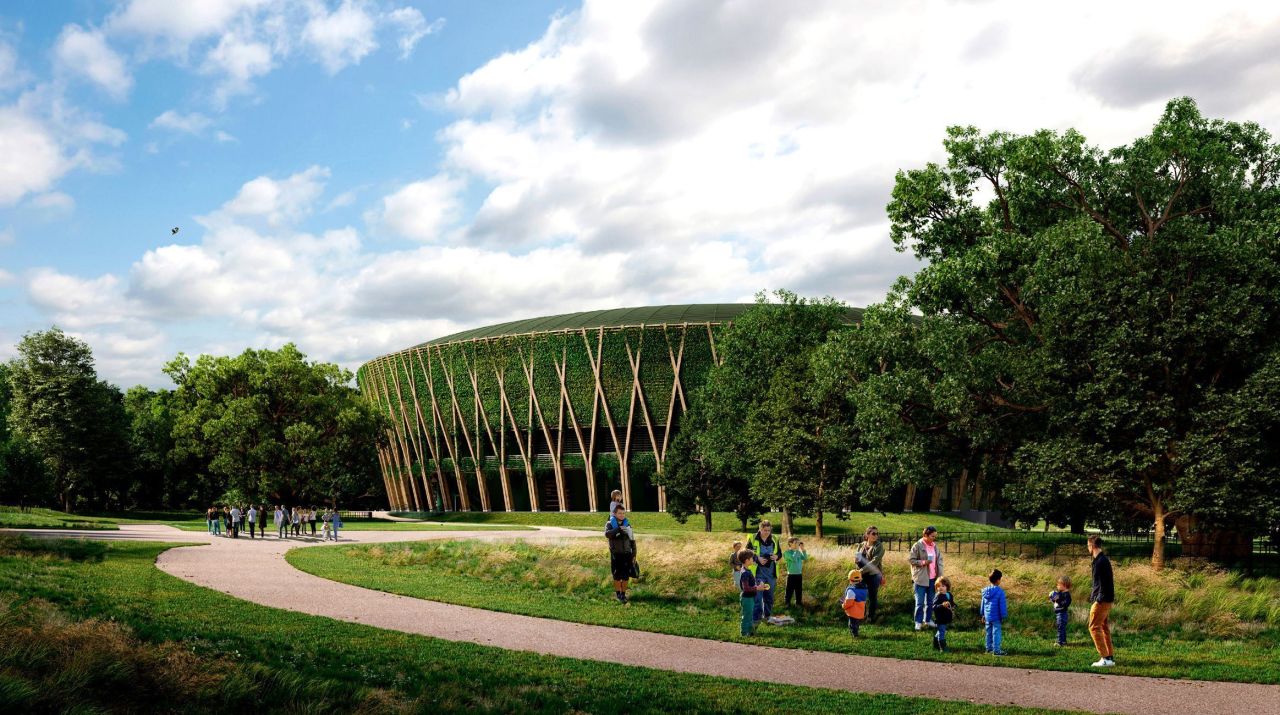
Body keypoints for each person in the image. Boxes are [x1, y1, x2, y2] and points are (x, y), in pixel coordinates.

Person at [1087, 534, 1116, 667]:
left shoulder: (1100, 562)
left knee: (1094, 627)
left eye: (1088, 545)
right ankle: (1109, 657)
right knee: (1103, 627)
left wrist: (1098, 599)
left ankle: (1105, 659)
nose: (1087, 548)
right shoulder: (1101, 560)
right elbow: (1098, 583)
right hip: (1105, 599)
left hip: (1102, 600)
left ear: (1092, 546)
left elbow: (1104, 583)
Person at [907, 526, 943, 630]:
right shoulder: (917, 545)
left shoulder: (935, 546)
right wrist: (923, 562)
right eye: (932, 536)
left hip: (933, 579)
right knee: (920, 602)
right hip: (920, 578)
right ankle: (918, 622)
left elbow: (939, 562)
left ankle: (927, 620)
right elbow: (911, 560)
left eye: (935, 536)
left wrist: (940, 577)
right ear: (925, 535)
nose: (934, 538)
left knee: (931, 602)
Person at [745, 520, 781, 624]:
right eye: (764, 530)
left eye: (769, 530)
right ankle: (756, 619)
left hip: (771, 573)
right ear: (760, 529)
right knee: (757, 598)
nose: (767, 532)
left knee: (769, 597)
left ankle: (768, 617)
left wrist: (776, 556)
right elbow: (747, 553)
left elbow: (779, 553)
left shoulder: (775, 538)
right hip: (757, 573)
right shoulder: (752, 538)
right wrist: (757, 558)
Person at [605, 505, 636, 603]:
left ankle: (623, 594)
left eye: (623, 513)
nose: (622, 515)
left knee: (626, 576)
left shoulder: (628, 525)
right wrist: (618, 529)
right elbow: (607, 534)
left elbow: (633, 541)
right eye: (619, 513)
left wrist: (634, 554)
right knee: (617, 575)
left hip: (627, 554)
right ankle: (618, 594)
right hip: (616, 555)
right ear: (614, 514)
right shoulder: (609, 524)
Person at [855, 526, 886, 621]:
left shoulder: (879, 546)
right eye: (873, 533)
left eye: (877, 534)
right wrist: (856, 564)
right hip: (861, 575)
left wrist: (861, 570)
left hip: (874, 575)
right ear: (867, 535)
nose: (876, 535)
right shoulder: (861, 545)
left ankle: (870, 617)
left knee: (872, 597)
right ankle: (860, 615)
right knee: (860, 595)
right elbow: (857, 560)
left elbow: (874, 562)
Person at [981, 568, 1008, 656]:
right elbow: (1002, 605)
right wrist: (1003, 615)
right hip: (996, 617)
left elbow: (983, 604)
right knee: (996, 633)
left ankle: (988, 648)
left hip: (987, 616)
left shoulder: (985, 591)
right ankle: (996, 650)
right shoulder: (1000, 592)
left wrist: (983, 614)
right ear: (998, 580)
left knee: (988, 632)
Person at [736, 548, 759, 636]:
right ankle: (744, 633)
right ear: (747, 560)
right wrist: (758, 588)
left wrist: (758, 585)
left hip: (750, 597)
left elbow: (750, 585)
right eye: (752, 558)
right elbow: (746, 588)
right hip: (747, 598)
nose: (753, 560)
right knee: (746, 616)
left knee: (750, 615)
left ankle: (750, 631)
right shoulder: (745, 573)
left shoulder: (747, 570)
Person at [840, 569, 868, 637]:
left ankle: (855, 635)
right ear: (860, 579)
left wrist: (843, 605)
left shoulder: (851, 591)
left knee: (852, 624)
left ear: (850, 580)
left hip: (853, 612)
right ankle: (856, 632)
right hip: (861, 610)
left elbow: (849, 603)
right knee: (856, 622)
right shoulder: (864, 589)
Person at [782, 537, 808, 610]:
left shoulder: (798, 552)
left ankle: (798, 603)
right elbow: (793, 559)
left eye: (798, 543)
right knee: (789, 589)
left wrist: (803, 550)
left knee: (798, 589)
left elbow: (805, 558)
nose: (797, 544)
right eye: (796, 543)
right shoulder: (787, 553)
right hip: (791, 575)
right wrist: (796, 550)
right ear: (790, 543)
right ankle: (787, 603)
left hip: (799, 574)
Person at [1049, 575, 1072, 647]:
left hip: (1062, 614)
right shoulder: (1060, 593)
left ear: (1064, 585)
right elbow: (1055, 600)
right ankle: (1064, 641)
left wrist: (1058, 600)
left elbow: (1065, 604)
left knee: (1060, 628)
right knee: (1061, 627)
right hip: (1058, 613)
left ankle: (1060, 642)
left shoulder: (1067, 595)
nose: (1057, 586)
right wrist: (1052, 597)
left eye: (1059, 585)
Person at [933, 577, 954, 652]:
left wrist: (953, 605)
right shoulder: (938, 596)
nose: (940, 588)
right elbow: (934, 607)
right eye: (938, 586)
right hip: (940, 618)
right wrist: (942, 605)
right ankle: (943, 647)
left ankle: (935, 644)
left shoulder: (949, 595)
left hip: (946, 617)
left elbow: (951, 602)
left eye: (943, 586)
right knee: (942, 632)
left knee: (941, 631)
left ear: (947, 587)